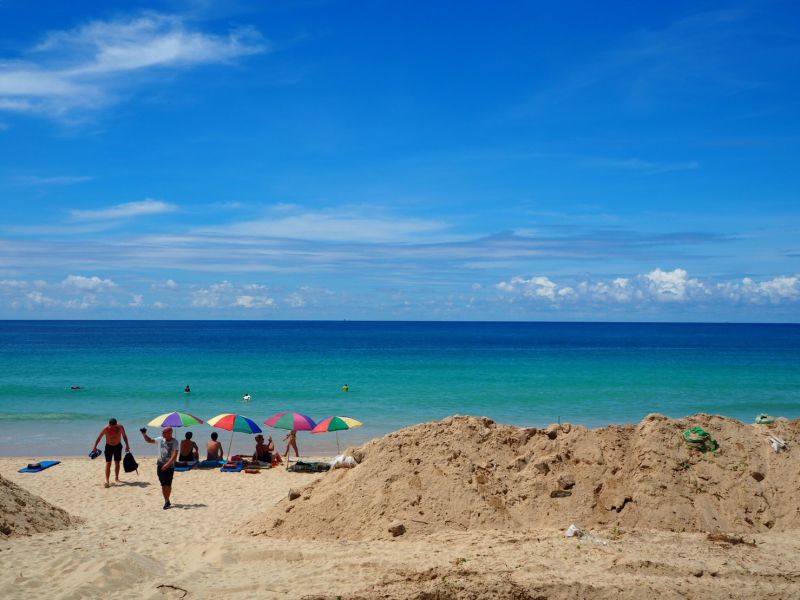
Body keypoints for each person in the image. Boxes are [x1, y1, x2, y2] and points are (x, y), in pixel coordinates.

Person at [140, 426, 179, 509]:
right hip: (160, 465)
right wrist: (144, 434)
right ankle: (166, 500)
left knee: (168, 484)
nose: (162, 433)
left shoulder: (175, 442)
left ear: (170, 433)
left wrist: (168, 464)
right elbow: (149, 440)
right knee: (163, 484)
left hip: (170, 466)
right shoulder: (161, 439)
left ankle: (167, 500)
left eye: (164, 432)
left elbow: (175, 455)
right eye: (163, 432)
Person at [92, 418, 130, 488]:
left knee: (117, 463)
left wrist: (127, 445)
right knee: (108, 463)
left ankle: (116, 477)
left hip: (118, 446)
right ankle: (107, 481)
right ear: (109, 425)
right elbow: (99, 438)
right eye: (112, 427)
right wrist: (95, 447)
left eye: (115, 426)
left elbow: (124, 436)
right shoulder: (105, 429)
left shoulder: (120, 427)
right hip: (109, 447)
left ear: (116, 424)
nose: (113, 428)